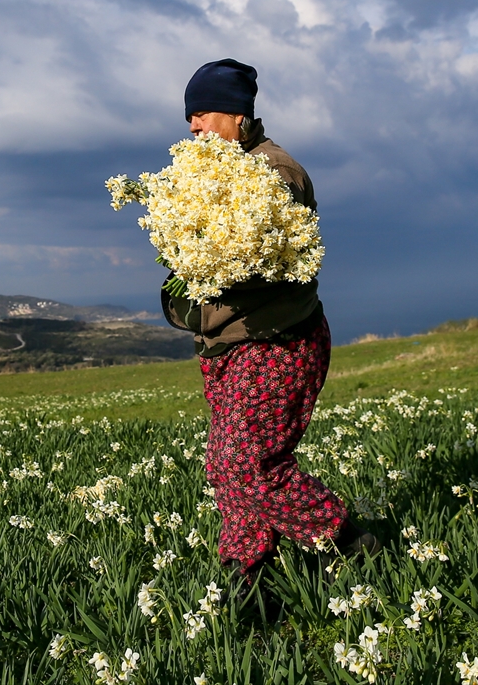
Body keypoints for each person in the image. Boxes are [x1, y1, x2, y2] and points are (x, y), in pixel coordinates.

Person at [161, 59, 379, 603]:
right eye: (188, 116)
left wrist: (196, 282)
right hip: (230, 345)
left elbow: (249, 259)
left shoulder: (276, 173)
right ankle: (249, 578)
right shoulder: (212, 172)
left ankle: (350, 541)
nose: (192, 126)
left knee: (248, 462)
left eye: (203, 112)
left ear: (236, 114)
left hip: (280, 342)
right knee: (225, 465)